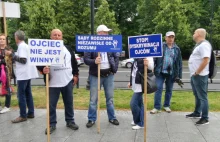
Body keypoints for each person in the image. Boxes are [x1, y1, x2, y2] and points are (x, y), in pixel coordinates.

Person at [37, 29, 79, 134]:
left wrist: (75, 74)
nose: (57, 37)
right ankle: (51, 124)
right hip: (53, 83)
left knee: (69, 103)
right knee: (51, 105)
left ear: (62, 37)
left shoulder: (68, 49)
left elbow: (73, 63)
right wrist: (43, 69)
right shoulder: (45, 49)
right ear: (51, 37)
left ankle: (70, 121)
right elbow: (38, 62)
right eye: (54, 35)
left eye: (59, 35)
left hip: (67, 81)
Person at [84, 24, 120, 128]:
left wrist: (114, 70)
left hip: (109, 74)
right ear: (99, 33)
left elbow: (116, 57)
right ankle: (91, 119)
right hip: (95, 75)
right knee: (93, 99)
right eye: (105, 32)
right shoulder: (91, 44)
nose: (107, 34)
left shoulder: (111, 43)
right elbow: (86, 60)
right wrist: (94, 61)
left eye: (107, 33)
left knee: (110, 98)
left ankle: (112, 117)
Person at [5, 30, 39, 123]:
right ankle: (31, 112)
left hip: (23, 74)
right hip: (27, 73)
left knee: (21, 95)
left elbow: (23, 60)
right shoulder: (25, 46)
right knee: (28, 93)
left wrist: (11, 54)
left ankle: (23, 115)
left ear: (17, 37)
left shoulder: (22, 46)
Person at [151, 31, 182, 114]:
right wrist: (152, 67)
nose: (170, 39)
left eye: (172, 37)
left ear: (174, 38)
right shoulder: (160, 46)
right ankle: (156, 107)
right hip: (160, 72)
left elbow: (179, 63)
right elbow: (154, 58)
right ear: (165, 38)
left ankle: (166, 105)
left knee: (169, 90)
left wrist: (179, 75)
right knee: (158, 89)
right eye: (169, 37)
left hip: (171, 73)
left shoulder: (177, 49)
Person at [186, 28, 211, 125]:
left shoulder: (204, 45)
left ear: (199, 35)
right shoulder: (199, 45)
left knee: (202, 97)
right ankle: (197, 112)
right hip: (195, 75)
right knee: (197, 95)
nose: (193, 34)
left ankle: (205, 118)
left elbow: (206, 60)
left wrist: (197, 72)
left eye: (194, 33)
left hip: (199, 75)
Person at [128, 58, 154, 130]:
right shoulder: (136, 54)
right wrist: (131, 82)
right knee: (140, 104)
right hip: (135, 83)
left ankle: (138, 121)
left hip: (141, 83)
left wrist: (147, 64)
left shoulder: (148, 54)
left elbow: (151, 67)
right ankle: (140, 121)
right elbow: (134, 70)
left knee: (133, 103)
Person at [0, 33, 14, 114]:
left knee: (7, 87)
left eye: (3, 39)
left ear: (6, 40)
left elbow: (11, 59)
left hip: (6, 71)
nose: (1, 41)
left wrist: (2, 61)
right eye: (0, 39)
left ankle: (7, 106)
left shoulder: (9, 49)